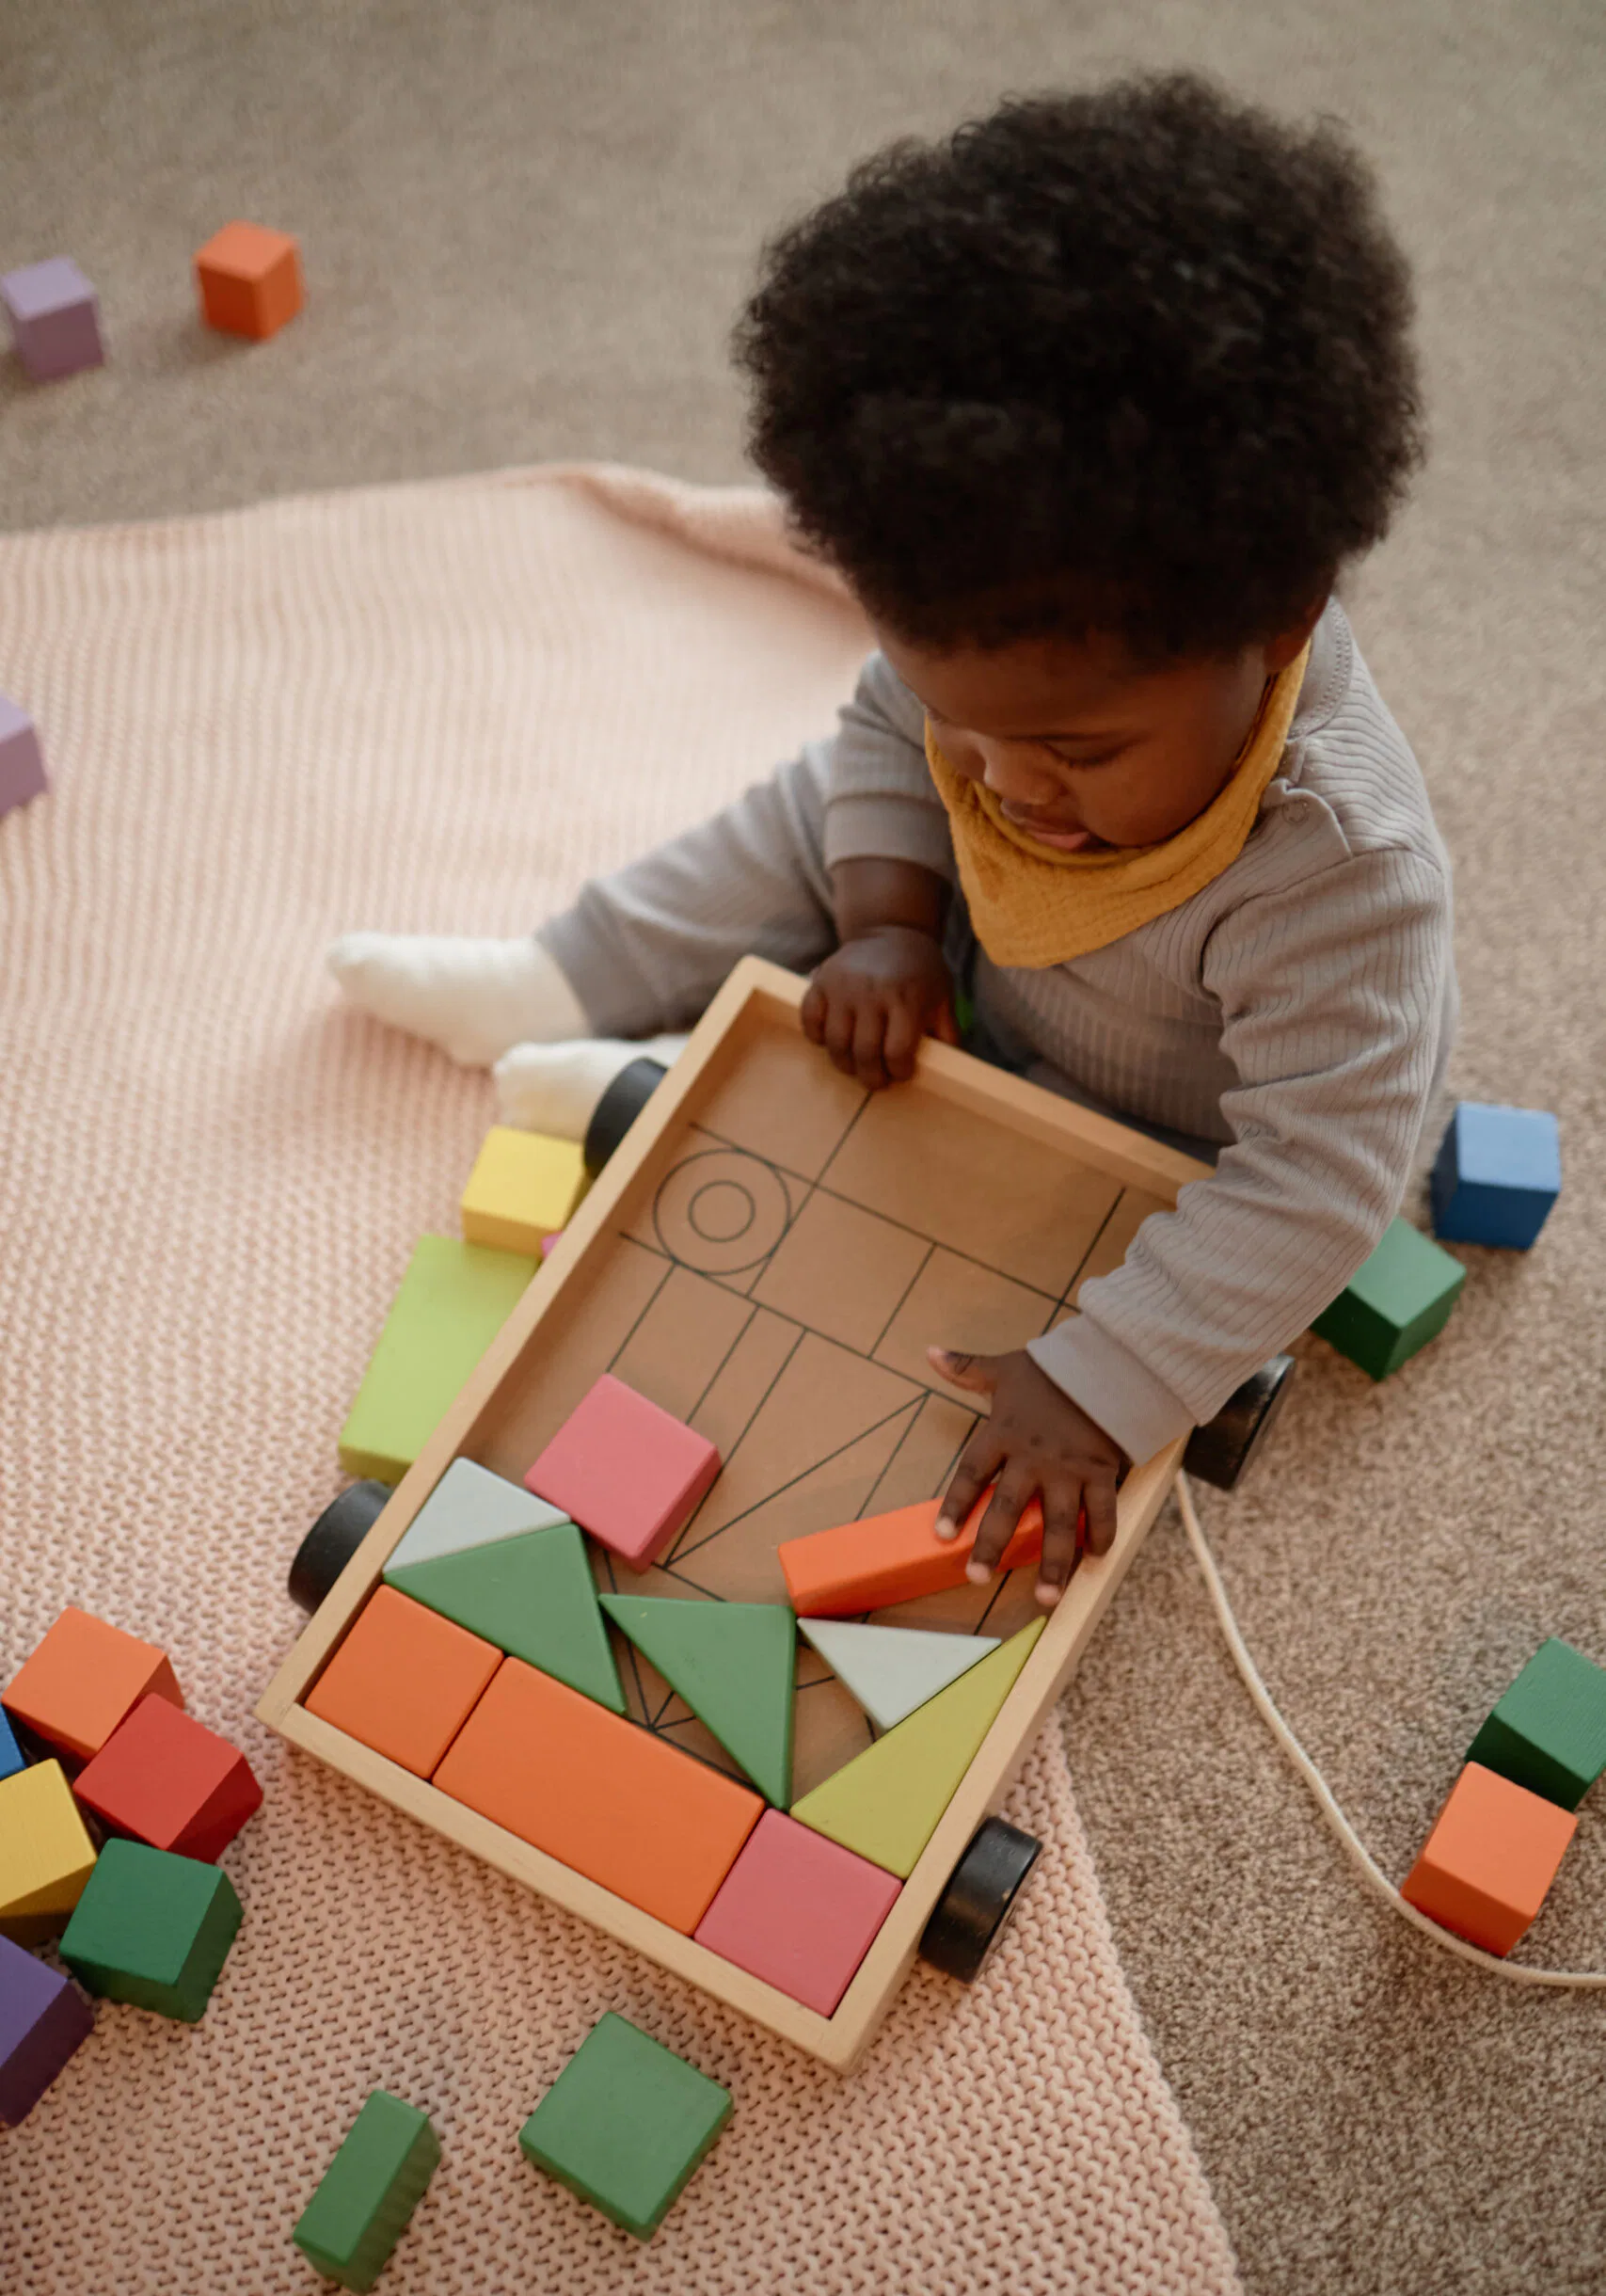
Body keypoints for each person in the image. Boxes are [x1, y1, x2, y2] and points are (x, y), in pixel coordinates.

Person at [330, 72, 1455, 1608]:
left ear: (1278, 618)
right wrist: (883, 919)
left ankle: (648, 1092)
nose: (1008, 786)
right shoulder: (982, 716)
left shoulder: (1342, 872)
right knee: (817, 805)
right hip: (966, 953)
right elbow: (883, 736)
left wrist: (1103, 1378)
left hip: (1139, 1123)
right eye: (962, 721)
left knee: (964, 1232)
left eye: (1076, 750)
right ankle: (563, 974)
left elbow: (1320, 1180)